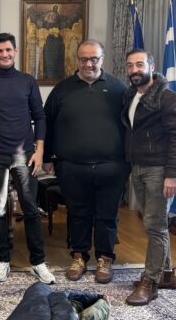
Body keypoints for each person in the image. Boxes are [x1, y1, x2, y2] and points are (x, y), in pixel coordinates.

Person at [44, 40, 129, 284]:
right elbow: (47, 124)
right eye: (84, 59)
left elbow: (131, 125)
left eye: (94, 59)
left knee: (107, 215)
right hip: (71, 167)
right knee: (77, 213)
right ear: (77, 59)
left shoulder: (119, 88)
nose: (89, 64)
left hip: (112, 166)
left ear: (102, 59)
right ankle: (79, 256)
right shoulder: (61, 90)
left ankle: (105, 258)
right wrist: (48, 157)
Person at [0, 33, 55, 284]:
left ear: (15, 51)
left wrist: (39, 151)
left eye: (8, 50)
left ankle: (38, 262)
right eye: (0, 51)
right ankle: (2, 261)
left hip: (24, 155)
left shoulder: (27, 81)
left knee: (30, 209)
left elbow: (40, 117)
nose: (5, 54)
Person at [122, 49, 176, 305]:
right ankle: (165, 274)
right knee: (153, 223)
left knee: (156, 226)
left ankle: (150, 282)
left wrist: (172, 175)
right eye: (130, 65)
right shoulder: (132, 95)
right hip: (138, 167)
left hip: (159, 170)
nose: (135, 70)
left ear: (152, 67)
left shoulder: (166, 98)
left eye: (140, 64)